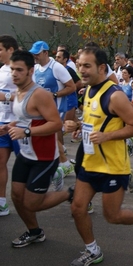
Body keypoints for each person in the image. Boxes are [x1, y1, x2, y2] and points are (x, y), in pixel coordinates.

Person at [68, 47, 133, 266]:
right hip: (90, 162)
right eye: (80, 65)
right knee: (77, 208)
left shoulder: (115, 95)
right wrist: (79, 126)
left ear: (101, 68)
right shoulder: (89, 90)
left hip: (112, 166)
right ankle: (92, 251)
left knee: (112, 216)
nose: (82, 70)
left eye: (87, 66)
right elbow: (98, 123)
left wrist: (106, 136)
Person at [3, 50, 72, 247]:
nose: (14, 74)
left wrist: (26, 133)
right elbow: (27, 118)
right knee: (16, 196)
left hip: (44, 156)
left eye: (19, 70)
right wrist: (10, 126)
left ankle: (71, 193)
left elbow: (56, 124)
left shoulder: (40, 94)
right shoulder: (18, 92)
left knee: (31, 203)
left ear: (30, 71)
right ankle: (34, 232)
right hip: (25, 154)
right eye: (12, 70)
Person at [30, 40, 76, 186]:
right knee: (51, 137)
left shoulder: (56, 68)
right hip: (41, 111)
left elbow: (72, 87)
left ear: (45, 53)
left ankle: (64, 163)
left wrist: (55, 95)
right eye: (33, 54)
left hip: (57, 109)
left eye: (37, 54)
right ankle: (63, 163)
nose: (35, 56)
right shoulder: (36, 68)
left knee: (50, 135)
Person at [0, 35, 19, 216]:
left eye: (0, 49)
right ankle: (2, 203)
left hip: (21, 124)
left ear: (10, 50)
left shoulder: (24, 69)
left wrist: (5, 97)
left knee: (25, 166)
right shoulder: (1, 70)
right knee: (0, 162)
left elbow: (29, 95)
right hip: (2, 122)